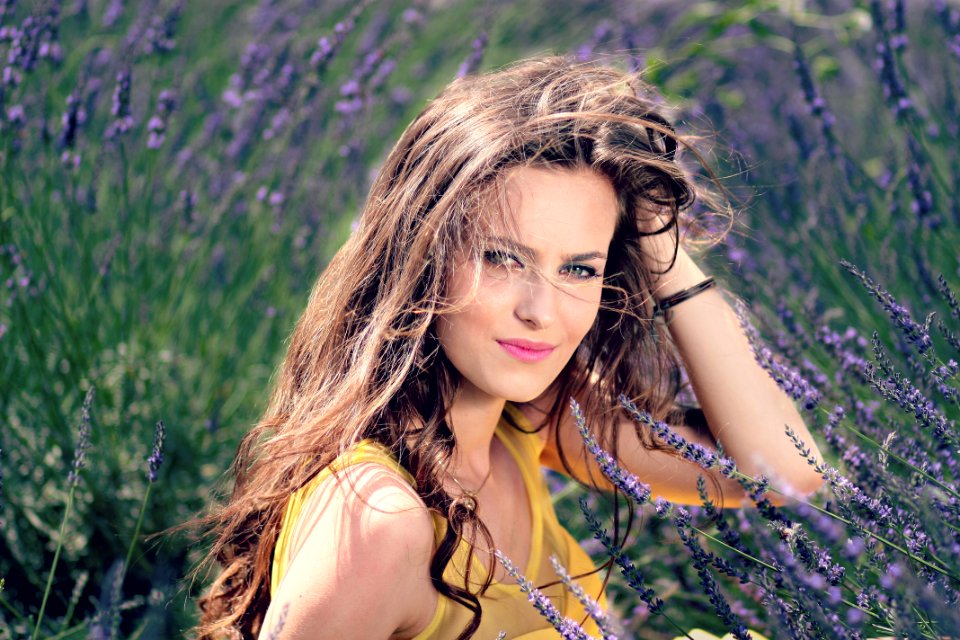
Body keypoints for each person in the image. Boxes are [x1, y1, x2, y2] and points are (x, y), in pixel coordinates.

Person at [191, 53, 826, 640]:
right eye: (501, 258)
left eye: (579, 268)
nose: (540, 312)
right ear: (421, 255)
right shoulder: (378, 522)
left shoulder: (529, 423)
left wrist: (662, 248)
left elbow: (784, 477)